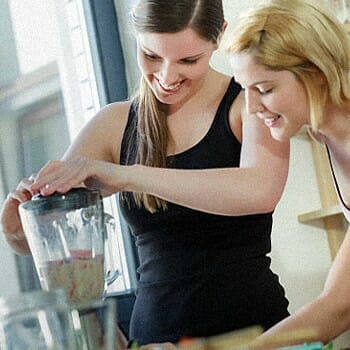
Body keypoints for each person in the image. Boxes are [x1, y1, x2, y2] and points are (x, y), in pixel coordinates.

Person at [0, 0, 291, 346]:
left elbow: (259, 190)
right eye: (152, 56)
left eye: (188, 60)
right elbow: (57, 241)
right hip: (156, 342)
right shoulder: (113, 124)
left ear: (219, 37)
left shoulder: (249, 103)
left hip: (258, 336)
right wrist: (20, 231)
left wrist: (127, 175)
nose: (167, 77)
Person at [225, 0, 350, 346]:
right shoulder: (326, 135)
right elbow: (337, 304)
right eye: (244, 89)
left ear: (317, 73)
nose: (251, 108)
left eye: (264, 89)